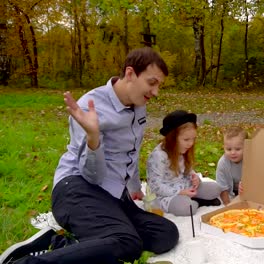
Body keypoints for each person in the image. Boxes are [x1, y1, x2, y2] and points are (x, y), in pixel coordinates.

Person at [0, 47, 179, 264]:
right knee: (126, 242)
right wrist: (93, 137)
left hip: (113, 194)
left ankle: (65, 245)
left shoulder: (138, 104)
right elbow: (91, 176)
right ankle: (24, 261)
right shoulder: (90, 107)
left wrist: (133, 187)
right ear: (130, 73)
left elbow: (133, 149)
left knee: (165, 234)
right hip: (77, 188)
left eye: (159, 85)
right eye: (152, 83)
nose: (156, 92)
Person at [146, 110, 222, 216]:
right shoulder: (159, 156)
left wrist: (195, 178)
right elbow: (156, 186)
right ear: (172, 138)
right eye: (186, 139)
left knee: (216, 188)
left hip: (185, 186)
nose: (190, 143)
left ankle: (192, 199)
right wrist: (180, 192)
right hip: (167, 195)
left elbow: (187, 170)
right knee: (187, 208)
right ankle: (198, 202)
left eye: (193, 139)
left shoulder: (182, 150)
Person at [215, 126, 247, 205]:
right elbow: (222, 187)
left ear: (247, 147)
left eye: (237, 149)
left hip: (248, 191)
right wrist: (227, 204)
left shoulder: (251, 160)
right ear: (224, 148)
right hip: (231, 192)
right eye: (229, 149)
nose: (233, 153)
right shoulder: (223, 163)